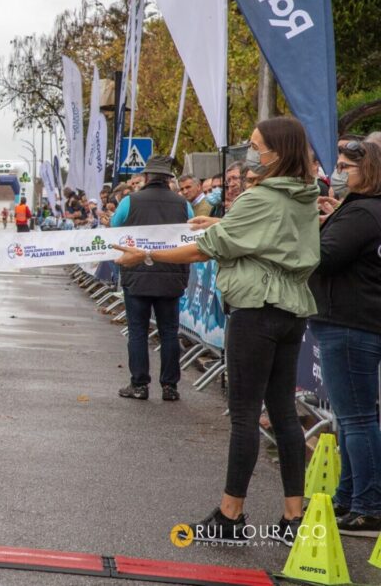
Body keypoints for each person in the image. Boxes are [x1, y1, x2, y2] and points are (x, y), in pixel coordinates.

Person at [114, 117, 320, 546]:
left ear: (277, 153)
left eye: (256, 145)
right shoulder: (302, 196)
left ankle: (230, 515)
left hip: (255, 310)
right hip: (291, 311)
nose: (249, 153)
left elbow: (205, 250)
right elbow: (258, 238)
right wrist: (219, 227)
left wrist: (145, 257)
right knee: (282, 412)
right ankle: (292, 516)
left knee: (244, 413)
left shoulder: (259, 197)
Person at [310, 140, 381, 537]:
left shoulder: (362, 212)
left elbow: (324, 256)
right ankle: (350, 496)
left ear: (366, 171)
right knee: (351, 418)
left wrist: (312, 233)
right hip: (352, 321)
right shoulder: (359, 211)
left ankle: (369, 505)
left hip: (350, 323)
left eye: (344, 167)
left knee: (356, 419)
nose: (337, 173)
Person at [110, 156, 194, 402]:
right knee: (169, 332)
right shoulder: (183, 204)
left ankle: (139, 385)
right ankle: (170, 387)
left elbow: (115, 227)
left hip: (137, 275)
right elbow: (190, 231)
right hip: (171, 275)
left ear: (146, 177)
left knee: (137, 331)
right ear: (169, 179)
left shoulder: (129, 201)